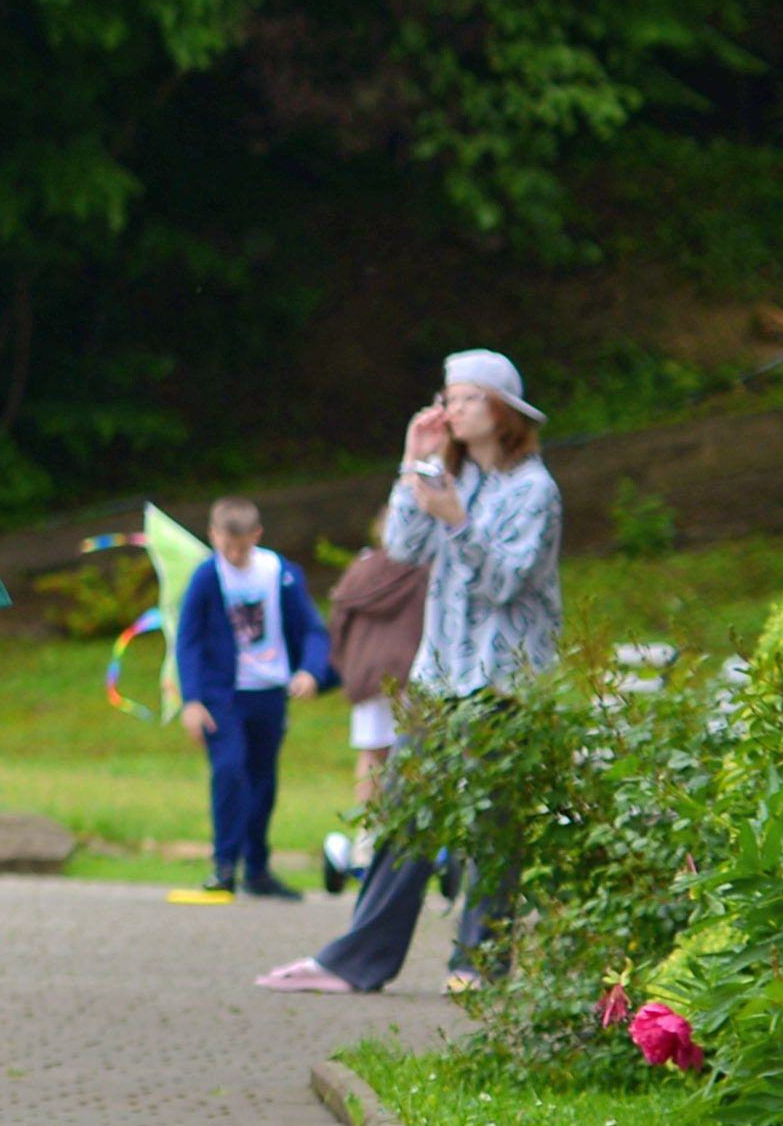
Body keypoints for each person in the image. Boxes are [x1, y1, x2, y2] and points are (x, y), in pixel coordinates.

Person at [263, 357, 562, 996]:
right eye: (446, 398)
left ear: (500, 410)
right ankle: (356, 962)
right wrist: (412, 462)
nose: (450, 410)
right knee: (406, 819)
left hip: (504, 682)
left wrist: (459, 520)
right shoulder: (455, 477)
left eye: (465, 398)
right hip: (439, 678)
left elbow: (508, 582)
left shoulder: (534, 490)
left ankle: (479, 969)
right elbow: (400, 550)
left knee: (493, 826)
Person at [170, 496, 330, 903]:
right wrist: (192, 700)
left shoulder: (280, 573)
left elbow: (313, 629)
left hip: (270, 692)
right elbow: (188, 641)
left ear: (256, 536)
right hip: (224, 696)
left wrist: (310, 671)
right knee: (230, 771)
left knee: (263, 781)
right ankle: (224, 866)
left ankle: (256, 869)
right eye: (227, 545)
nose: (235, 554)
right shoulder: (207, 577)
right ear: (213, 536)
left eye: (242, 545)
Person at [318, 522, 432, 889]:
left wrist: (344, 667)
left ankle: (368, 841)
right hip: (414, 674)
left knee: (371, 756)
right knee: (417, 756)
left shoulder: (361, 570)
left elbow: (339, 624)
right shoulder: (426, 570)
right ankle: (413, 834)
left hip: (368, 676)